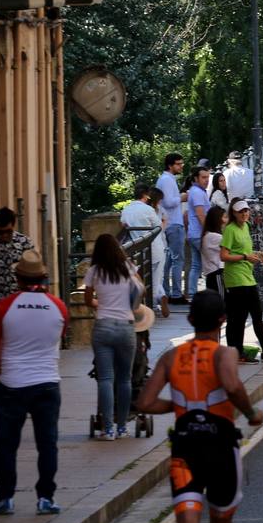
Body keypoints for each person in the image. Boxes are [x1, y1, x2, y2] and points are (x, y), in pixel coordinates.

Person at [135, 290, 263, 523]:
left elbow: (145, 403)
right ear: (222, 321)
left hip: (185, 449)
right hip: (221, 446)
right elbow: (232, 385)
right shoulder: (224, 353)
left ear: (190, 320)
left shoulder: (170, 357)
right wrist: (250, 412)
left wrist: (182, 407)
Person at [0, 250, 66, 516]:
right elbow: (58, 339)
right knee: (47, 444)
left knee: (7, 445)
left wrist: (2, 374)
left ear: (17, 278)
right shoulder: (58, 306)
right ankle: (46, 498)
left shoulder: (5, 307)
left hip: (13, 383)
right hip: (47, 382)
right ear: (43, 277)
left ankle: (5, 498)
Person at [84, 234, 146, 440]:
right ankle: (122, 427)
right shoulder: (127, 269)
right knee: (124, 379)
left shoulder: (94, 271)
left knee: (105, 379)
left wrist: (100, 304)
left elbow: (88, 300)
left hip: (103, 326)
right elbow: (140, 289)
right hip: (126, 327)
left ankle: (107, 429)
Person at [221, 199, 263, 362]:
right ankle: (237, 352)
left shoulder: (246, 226)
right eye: (240, 211)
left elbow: (245, 250)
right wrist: (245, 257)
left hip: (247, 276)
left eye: (246, 211)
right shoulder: (230, 230)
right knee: (239, 317)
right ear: (233, 213)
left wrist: (258, 254)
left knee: (257, 314)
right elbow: (224, 255)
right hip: (235, 278)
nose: (244, 213)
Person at [121, 186, 169, 318]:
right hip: (155, 247)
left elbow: (124, 225)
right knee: (156, 278)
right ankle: (154, 304)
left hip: (137, 248)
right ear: (145, 195)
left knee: (142, 278)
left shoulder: (126, 209)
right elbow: (158, 226)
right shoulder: (148, 209)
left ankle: (154, 301)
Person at [156, 153, 187, 305]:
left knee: (169, 259)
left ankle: (166, 291)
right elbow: (168, 202)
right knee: (177, 259)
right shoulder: (167, 180)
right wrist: (182, 197)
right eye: (178, 164)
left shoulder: (166, 179)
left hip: (170, 222)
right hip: (173, 223)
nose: (181, 166)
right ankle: (175, 293)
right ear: (170, 165)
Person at [185, 166, 211, 296]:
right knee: (210, 264)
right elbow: (201, 214)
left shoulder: (197, 192)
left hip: (195, 234)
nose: (207, 180)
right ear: (196, 178)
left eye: (208, 177)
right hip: (200, 234)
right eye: (203, 177)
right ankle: (209, 293)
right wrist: (209, 231)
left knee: (196, 265)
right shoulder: (197, 192)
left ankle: (192, 293)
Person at [201, 207, 227, 298]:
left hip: (212, 274)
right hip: (217, 273)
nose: (226, 221)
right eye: (224, 217)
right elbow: (233, 248)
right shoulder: (215, 237)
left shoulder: (208, 235)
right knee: (221, 303)